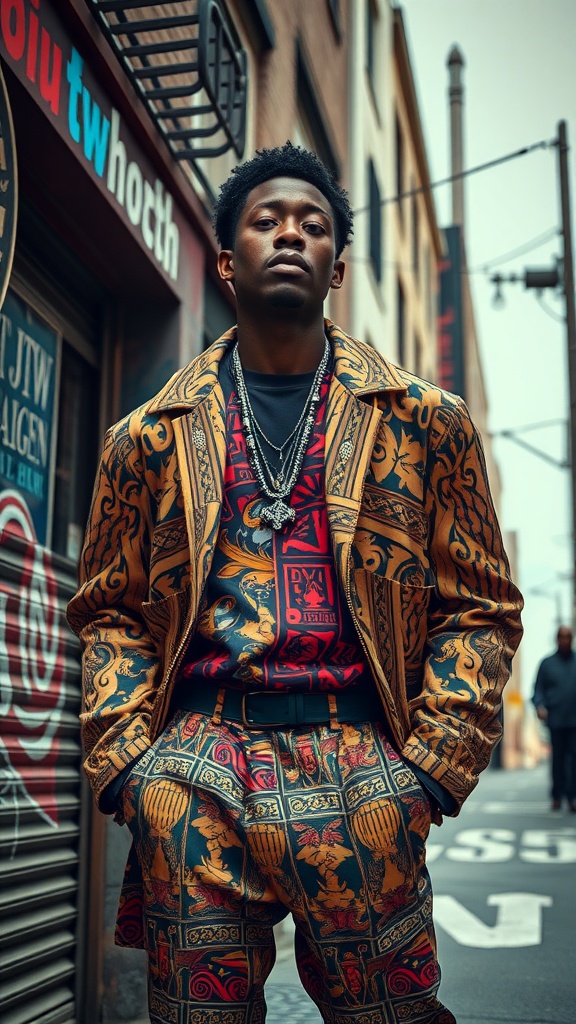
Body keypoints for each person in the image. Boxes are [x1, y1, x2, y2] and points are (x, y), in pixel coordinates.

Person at [67, 142, 523, 1024]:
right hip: (197, 765)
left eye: (312, 225)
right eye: (267, 220)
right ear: (228, 261)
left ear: (338, 266)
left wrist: (427, 771)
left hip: (361, 762)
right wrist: (131, 772)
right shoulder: (148, 436)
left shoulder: (426, 423)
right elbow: (109, 611)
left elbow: (480, 608)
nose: (291, 234)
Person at [532, 625, 576, 811]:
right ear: (557, 639)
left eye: (568, 637)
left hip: (575, 721)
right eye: (562, 637)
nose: (565, 640)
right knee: (557, 760)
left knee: (574, 760)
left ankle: (572, 797)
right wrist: (540, 706)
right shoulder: (547, 664)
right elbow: (537, 691)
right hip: (556, 721)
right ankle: (557, 796)